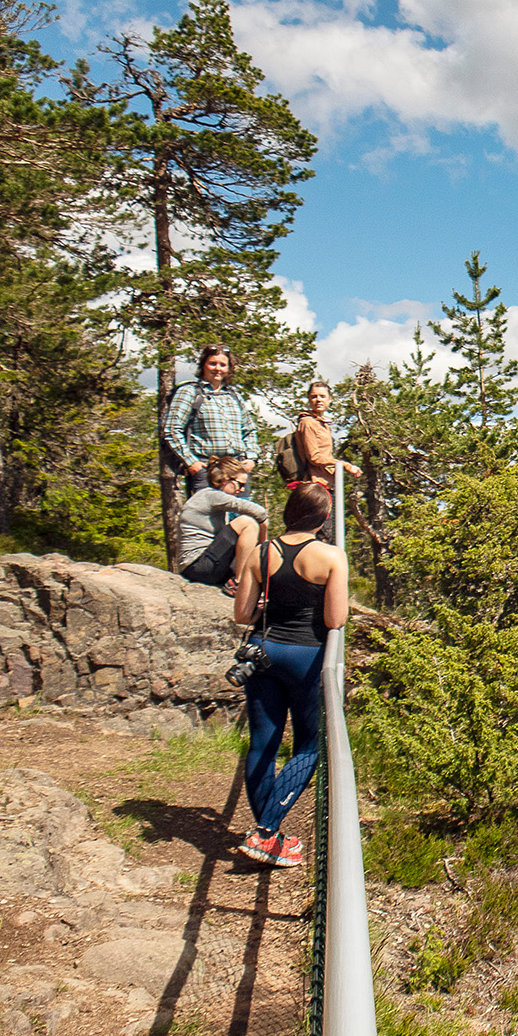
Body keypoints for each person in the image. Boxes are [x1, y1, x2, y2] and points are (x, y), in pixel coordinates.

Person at [231, 482, 348, 868]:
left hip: (264, 651)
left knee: (262, 743)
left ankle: (271, 834)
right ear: (324, 518)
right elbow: (335, 619)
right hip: (306, 657)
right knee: (309, 747)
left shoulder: (260, 553)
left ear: (288, 511)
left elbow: (242, 615)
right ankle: (266, 832)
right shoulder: (331, 556)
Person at [163, 343, 259, 497]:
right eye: (212, 363)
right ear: (203, 365)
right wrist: (191, 462)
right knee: (206, 520)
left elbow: (249, 430)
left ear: (228, 368)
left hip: (236, 469)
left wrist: (251, 458)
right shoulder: (189, 392)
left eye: (222, 364)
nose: (217, 368)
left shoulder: (234, 395)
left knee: (242, 518)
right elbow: (171, 430)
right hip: (206, 470)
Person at [177, 457, 268, 590]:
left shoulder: (209, 497)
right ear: (225, 480)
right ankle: (240, 583)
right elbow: (260, 512)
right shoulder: (212, 495)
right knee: (247, 522)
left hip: (200, 566)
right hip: (199, 566)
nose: (242, 490)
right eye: (240, 484)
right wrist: (264, 536)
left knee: (244, 528)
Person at [294, 381, 362, 542]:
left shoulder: (321, 423)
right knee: (323, 535)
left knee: (329, 535)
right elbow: (314, 456)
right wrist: (344, 465)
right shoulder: (308, 422)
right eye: (314, 396)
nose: (318, 400)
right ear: (309, 399)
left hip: (326, 484)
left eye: (322, 396)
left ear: (329, 399)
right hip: (315, 486)